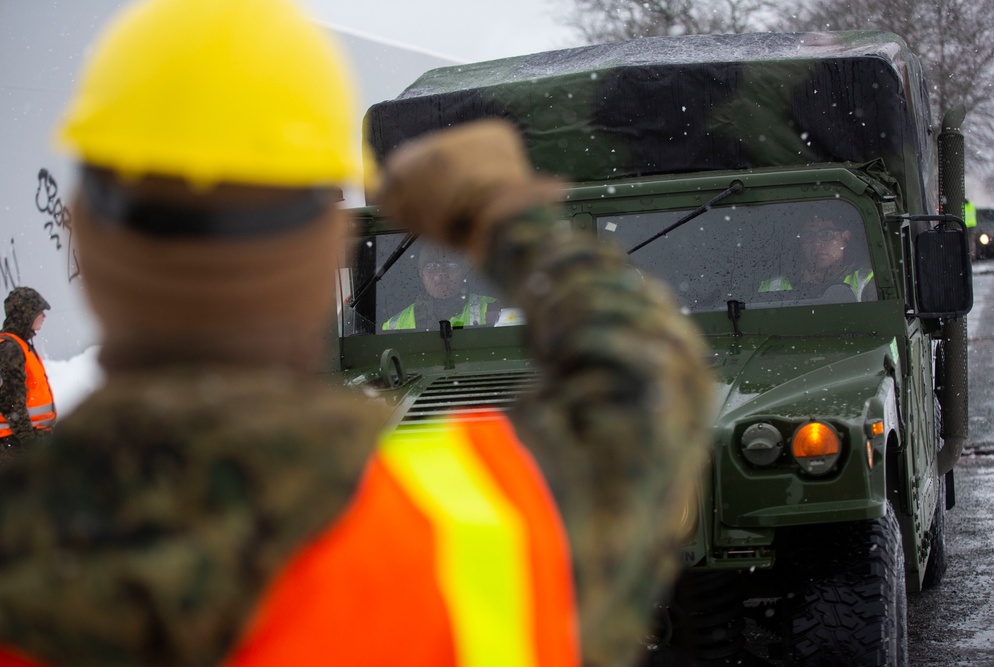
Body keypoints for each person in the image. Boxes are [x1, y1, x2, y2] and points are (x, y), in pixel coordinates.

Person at [0, 1, 712, 666]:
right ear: (330, 245)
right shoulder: (469, 524)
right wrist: (505, 217)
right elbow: (651, 387)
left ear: (83, 240)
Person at [759, 213, 875, 301]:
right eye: (808, 236)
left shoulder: (868, 283)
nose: (816, 243)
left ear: (845, 239)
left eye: (826, 234)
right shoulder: (773, 287)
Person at [382, 243, 498, 330]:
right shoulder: (392, 327)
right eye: (431, 265)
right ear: (420, 273)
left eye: (451, 265)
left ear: (464, 271)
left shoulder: (493, 309)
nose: (441, 273)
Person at [0, 287, 56, 465]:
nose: (44, 316)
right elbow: (11, 403)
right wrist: (30, 442)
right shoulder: (10, 349)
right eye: (39, 311)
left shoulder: (20, 345)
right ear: (26, 315)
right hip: (16, 444)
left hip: (22, 441)